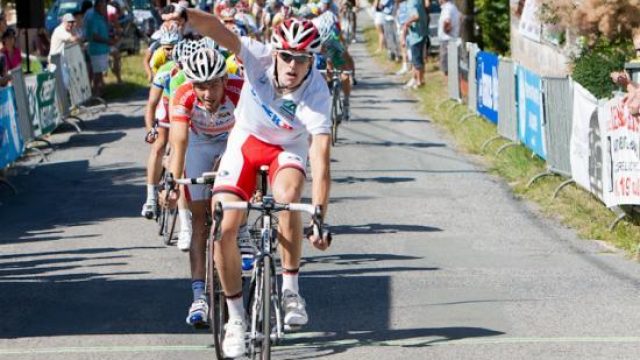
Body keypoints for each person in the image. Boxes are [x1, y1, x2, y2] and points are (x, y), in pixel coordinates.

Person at [163, 7, 332, 358]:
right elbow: (215, 29)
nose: (291, 66)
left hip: (286, 148)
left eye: (301, 60)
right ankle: (235, 319)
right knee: (224, 226)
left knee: (287, 196)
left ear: (311, 61)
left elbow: (320, 155)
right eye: (286, 56)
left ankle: (290, 288)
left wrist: (319, 215)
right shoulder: (257, 56)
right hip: (246, 142)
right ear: (276, 53)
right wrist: (185, 13)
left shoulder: (317, 92)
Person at [167, 47, 246, 328]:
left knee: (237, 196)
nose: (208, 94)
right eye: (200, 86)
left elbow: (252, 136)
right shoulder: (183, 95)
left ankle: (242, 231)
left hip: (233, 140)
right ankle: (199, 294)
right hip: (198, 143)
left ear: (225, 80)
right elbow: (178, 144)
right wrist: (172, 183)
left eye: (213, 85)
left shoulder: (240, 90)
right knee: (200, 220)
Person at [85, 0, 114, 96]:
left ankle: (100, 91)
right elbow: (94, 36)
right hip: (96, 50)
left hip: (101, 49)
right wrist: (107, 41)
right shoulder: (93, 17)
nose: (104, 9)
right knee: (96, 72)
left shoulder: (99, 15)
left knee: (99, 71)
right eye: (102, 7)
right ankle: (95, 93)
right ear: (97, 6)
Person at [401, 0, 428, 88]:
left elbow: (416, 16)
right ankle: (418, 79)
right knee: (419, 59)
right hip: (422, 33)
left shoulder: (412, 3)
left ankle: (419, 82)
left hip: (416, 36)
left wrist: (407, 22)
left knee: (416, 60)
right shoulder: (419, 1)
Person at [437, 0, 459, 76]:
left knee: (446, 69)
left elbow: (447, 20)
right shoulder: (452, 7)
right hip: (450, 39)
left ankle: (450, 86)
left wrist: (446, 30)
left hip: (447, 40)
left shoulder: (447, 8)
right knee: (450, 68)